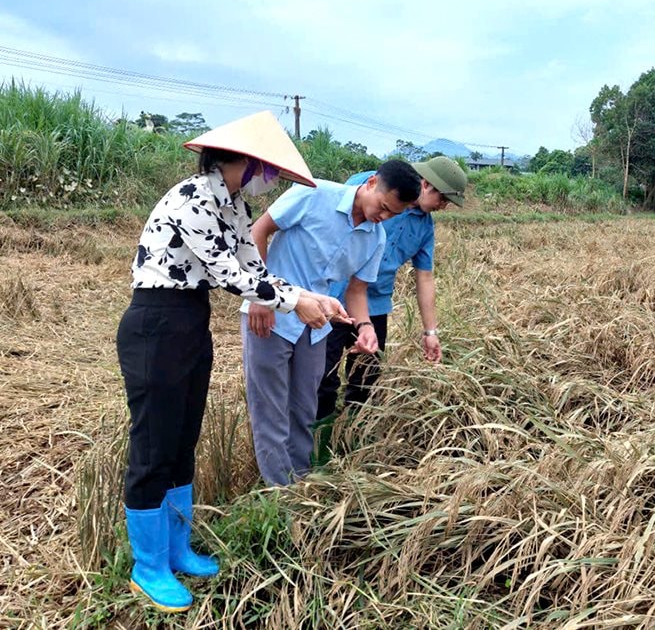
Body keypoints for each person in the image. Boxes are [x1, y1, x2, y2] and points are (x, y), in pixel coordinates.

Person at [116, 111, 348, 613]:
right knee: (154, 445)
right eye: (265, 171)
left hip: (190, 322)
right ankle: (148, 565)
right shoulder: (194, 197)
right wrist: (295, 302)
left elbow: (254, 266)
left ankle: (179, 548)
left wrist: (311, 296)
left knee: (182, 440)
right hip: (156, 322)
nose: (269, 182)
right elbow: (229, 273)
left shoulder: (235, 206)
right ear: (240, 161)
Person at [242, 159, 422, 485]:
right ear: (370, 183)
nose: (383, 217)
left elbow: (357, 290)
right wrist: (261, 295)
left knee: (304, 410)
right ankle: (280, 497)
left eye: (392, 214)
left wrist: (365, 329)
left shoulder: (375, 237)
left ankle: (302, 482)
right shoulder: (313, 195)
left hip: (314, 327)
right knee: (270, 411)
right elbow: (259, 230)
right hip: (272, 316)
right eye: (382, 207)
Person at [314, 156, 467, 457]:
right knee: (323, 379)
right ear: (426, 184)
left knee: (366, 379)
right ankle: (317, 452)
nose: (443, 207)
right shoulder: (378, 186)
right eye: (443, 198)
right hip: (333, 297)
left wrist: (430, 331)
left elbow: (424, 277)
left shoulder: (424, 228)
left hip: (375, 306)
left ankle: (351, 446)